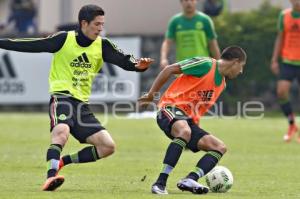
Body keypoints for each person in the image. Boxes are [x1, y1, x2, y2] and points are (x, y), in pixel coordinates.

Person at [0, 4, 153, 191]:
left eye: (102, 24)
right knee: (61, 133)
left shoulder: (102, 45)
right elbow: (31, 45)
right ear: (84, 23)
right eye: (96, 24)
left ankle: (62, 162)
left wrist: (139, 66)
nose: (100, 28)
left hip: (82, 106)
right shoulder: (64, 39)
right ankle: (50, 177)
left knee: (107, 147)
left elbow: (125, 61)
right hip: (62, 98)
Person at [138, 46, 246, 195]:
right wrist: (151, 95)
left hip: (187, 121)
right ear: (235, 61)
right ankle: (160, 183)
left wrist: (195, 136)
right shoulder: (206, 64)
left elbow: (197, 109)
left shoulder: (222, 84)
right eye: (242, 66)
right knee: (184, 131)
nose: (241, 71)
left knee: (219, 147)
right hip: (168, 109)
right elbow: (168, 69)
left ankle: (190, 179)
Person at [270, 0, 300, 142]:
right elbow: (280, 38)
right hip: (288, 61)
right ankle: (292, 124)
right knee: (281, 92)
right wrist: (274, 59)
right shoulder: (284, 15)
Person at [160, 0, 221, 69]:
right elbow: (167, 42)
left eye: (192, 0)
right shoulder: (175, 21)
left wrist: (219, 64)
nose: (189, 2)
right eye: (186, 0)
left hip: (202, 67)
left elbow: (213, 44)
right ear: (181, 2)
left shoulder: (205, 20)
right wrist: (163, 58)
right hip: (182, 67)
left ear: (196, 1)